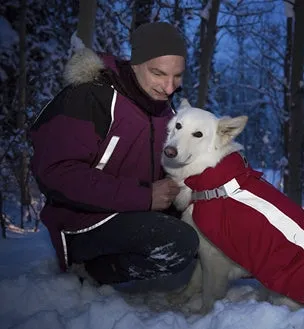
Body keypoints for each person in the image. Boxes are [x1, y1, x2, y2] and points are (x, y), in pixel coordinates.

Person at [30, 22, 199, 290]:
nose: (169, 87)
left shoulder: (165, 110)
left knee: (212, 225)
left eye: (177, 76)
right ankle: (89, 272)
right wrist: (144, 195)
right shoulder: (90, 97)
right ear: (135, 63)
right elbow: (55, 172)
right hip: (82, 223)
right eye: (158, 73)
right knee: (179, 243)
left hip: (135, 212)